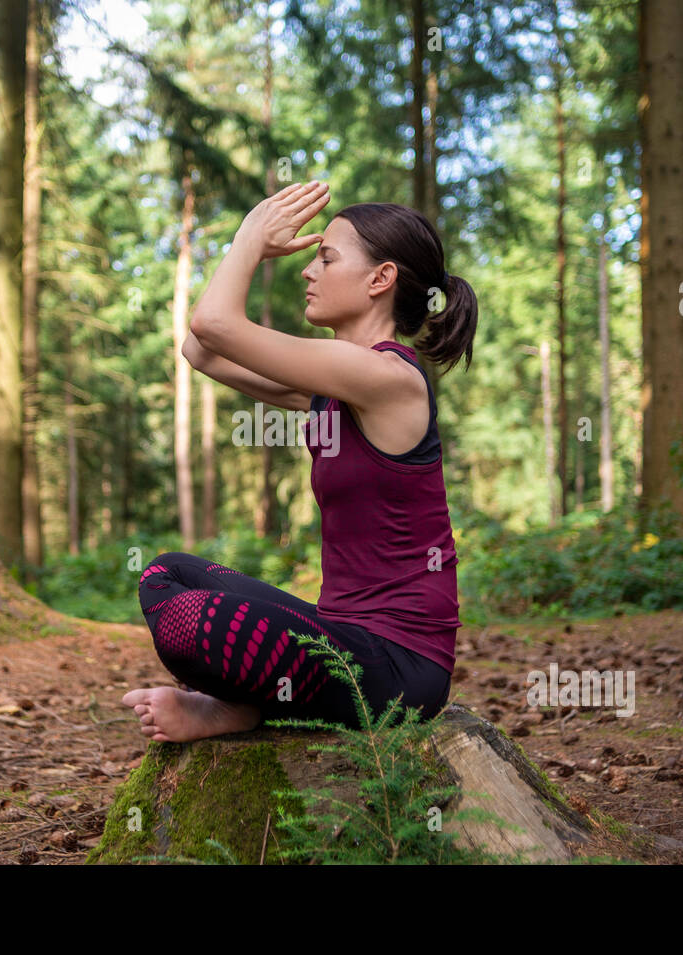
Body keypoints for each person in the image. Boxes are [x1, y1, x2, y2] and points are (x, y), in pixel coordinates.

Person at [123, 181, 478, 742]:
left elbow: (214, 325)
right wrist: (251, 248)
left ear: (380, 279)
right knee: (166, 574)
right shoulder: (333, 388)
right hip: (340, 634)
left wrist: (249, 239)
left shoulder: (389, 378)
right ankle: (247, 704)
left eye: (326, 258)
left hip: (401, 667)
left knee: (194, 624)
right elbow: (200, 350)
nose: (308, 271)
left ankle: (239, 708)